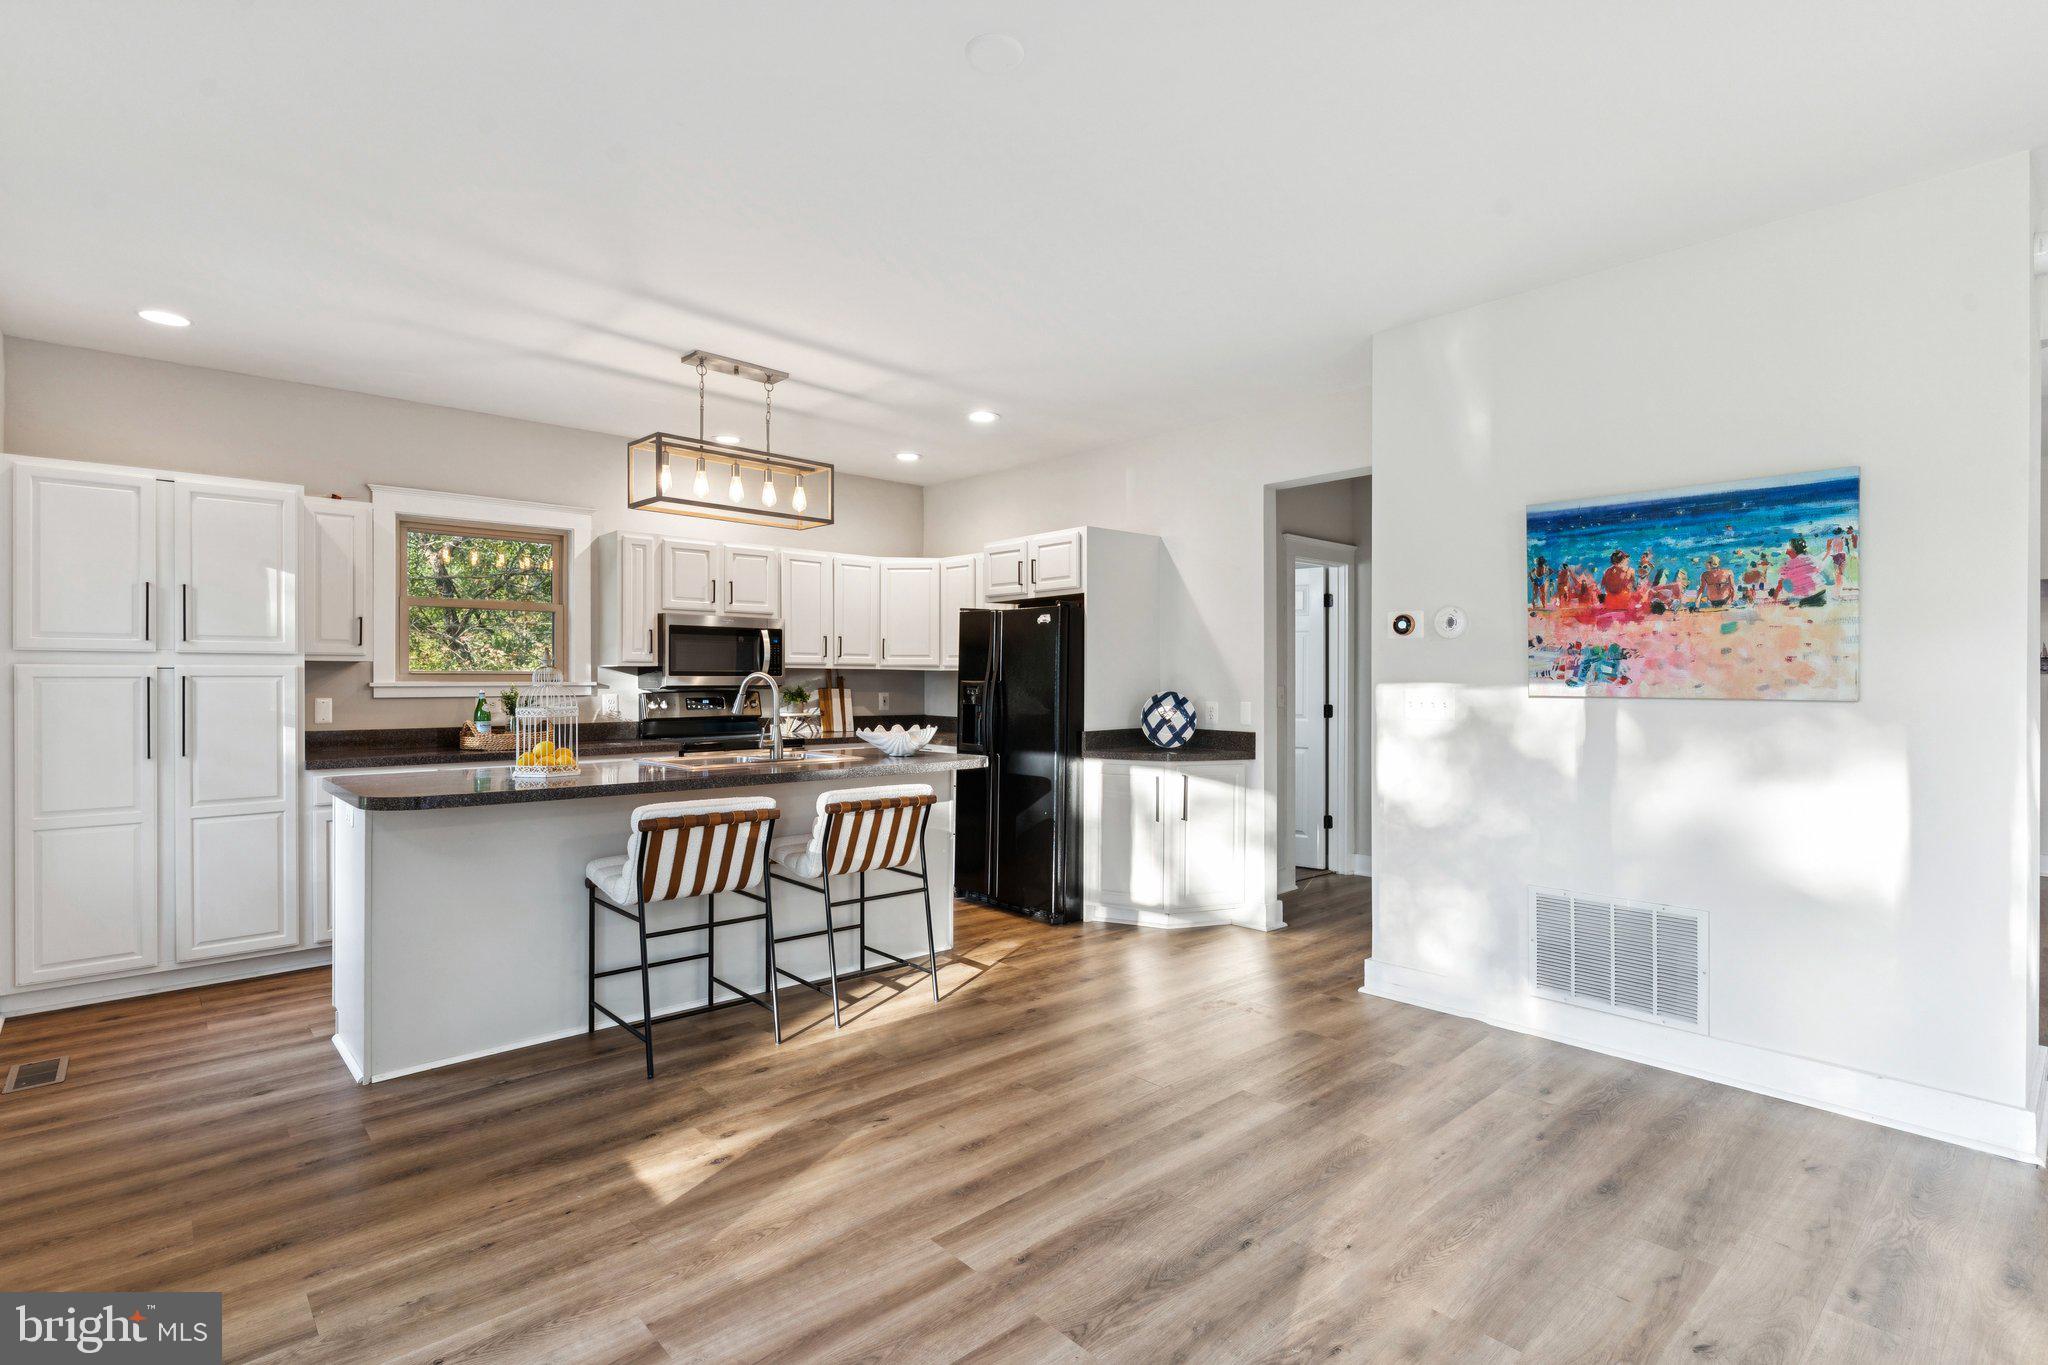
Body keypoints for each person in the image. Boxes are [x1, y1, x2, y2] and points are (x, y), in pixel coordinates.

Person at [1772, 536, 1827, 607]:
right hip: (1821, 593)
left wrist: (1774, 597)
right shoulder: (1812, 558)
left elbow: (1780, 584)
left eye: (1789, 547)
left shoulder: (1788, 565)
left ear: (1794, 550)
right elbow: (1819, 568)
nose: (1786, 551)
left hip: (1805, 600)